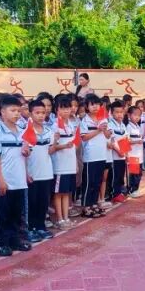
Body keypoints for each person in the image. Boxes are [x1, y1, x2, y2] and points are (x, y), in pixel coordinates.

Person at [0, 94, 31, 256]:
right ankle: (2, 242)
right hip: (5, 180)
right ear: (3, 112)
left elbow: (25, 155)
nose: (16, 114)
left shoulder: (22, 132)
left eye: (18, 111)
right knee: (3, 214)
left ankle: (15, 240)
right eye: (12, 110)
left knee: (16, 213)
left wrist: (26, 154)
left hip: (19, 180)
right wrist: (0, 180)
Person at [25, 99, 54, 242]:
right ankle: (30, 229)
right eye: (37, 113)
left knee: (43, 202)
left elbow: (50, 150)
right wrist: (26, 172)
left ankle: (41, 227)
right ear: (30, 114)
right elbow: (23, 154)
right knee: (32, 202)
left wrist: (57, 143)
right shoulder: (26, 131)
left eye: (43, 112)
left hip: (46, 172)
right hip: (32, 173)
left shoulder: (49, 131)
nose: (41, 115)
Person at [49, 93, 78, 228]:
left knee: (66, 192)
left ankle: (66, 218)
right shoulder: (55, 126)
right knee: (58, 193)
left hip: (70, 164)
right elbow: (52, 147)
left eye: (68, 108)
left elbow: (74, 144)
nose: (66, 111)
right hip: (59, 165)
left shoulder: (71, 124)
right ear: (57, 110)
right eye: (63, 108)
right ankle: (59, 219)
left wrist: (75, 163)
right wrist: (64, 146)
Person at [78, 95, 108, 218]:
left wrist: (106, 130)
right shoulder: (84, 121)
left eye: (97, 104)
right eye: (92, 104)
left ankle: (94, 203)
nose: (95, 107)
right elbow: (84, 137)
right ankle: (86, 206)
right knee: (88, 183)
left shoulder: (103, 119)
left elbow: (107, 135)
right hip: (90, 156)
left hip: (101, 155)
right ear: (87, 107)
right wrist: (98, 130)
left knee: (97, 182)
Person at [106, 101, 128, 203]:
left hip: (122, 156)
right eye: (117, 112)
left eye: (121, 112)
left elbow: (125, 139)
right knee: (114, 175)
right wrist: (118, 151)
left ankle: (118, 192)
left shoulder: (122, 125)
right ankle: (113, 194)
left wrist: (126, 153)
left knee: (120, 175)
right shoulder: (110, 125)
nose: (119, 114)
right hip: (114, 156)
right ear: (112, 113)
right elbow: (112, 140)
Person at [125, 105, 145, 197]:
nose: (137, 117)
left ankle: (136, 189)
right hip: (132, 154)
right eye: (135, 115)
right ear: (129, 115)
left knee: (139, 173)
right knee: (134, 173)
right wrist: (136, 141)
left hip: (139, 154)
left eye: (139, 115)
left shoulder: (137, 126)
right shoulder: (128, 127)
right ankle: (131, 190)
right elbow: (127, 140)